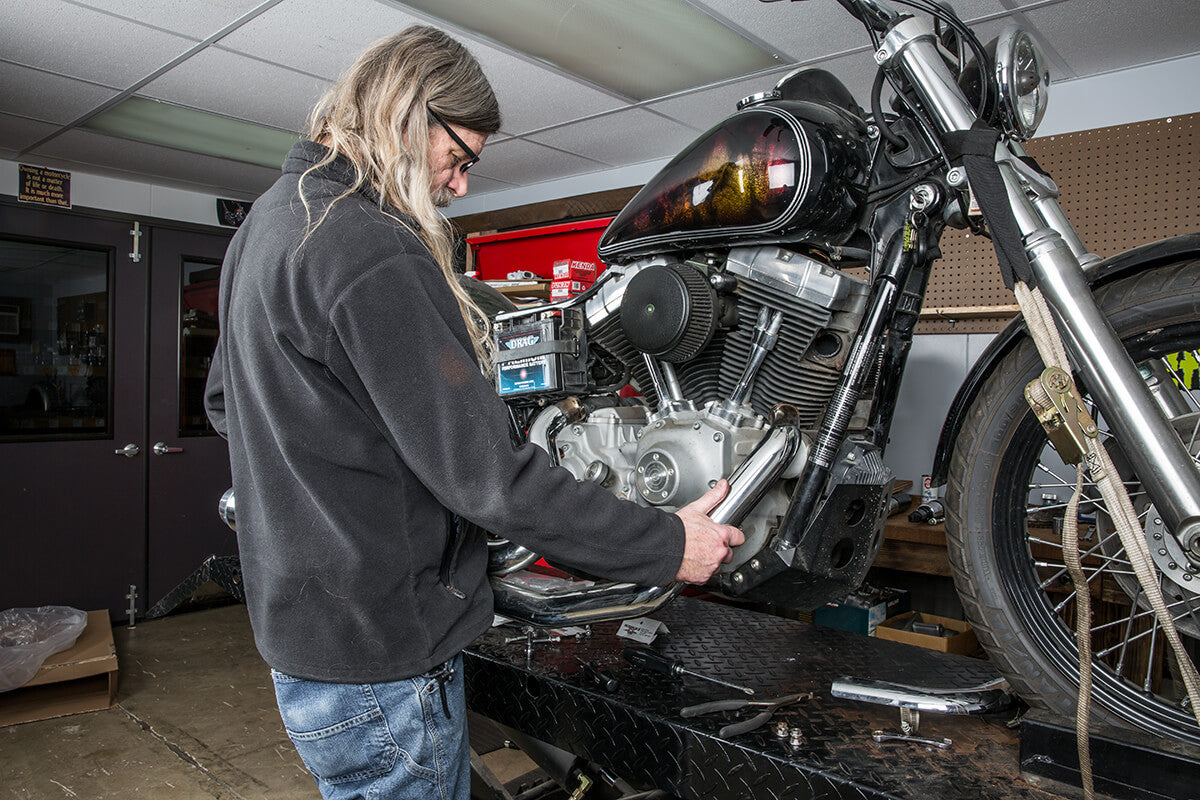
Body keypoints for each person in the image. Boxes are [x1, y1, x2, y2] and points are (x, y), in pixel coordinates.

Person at [204, 25, 744, 800]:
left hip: (307, 643)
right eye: (460, 159)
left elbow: (227, 405)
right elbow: (489, 478)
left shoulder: (267, 225)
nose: (460, 187)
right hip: (386, 652)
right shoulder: (368, 246)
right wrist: (663, 545)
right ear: (407, 113)